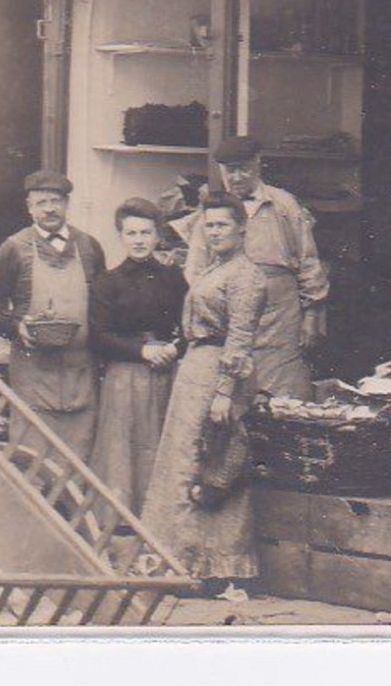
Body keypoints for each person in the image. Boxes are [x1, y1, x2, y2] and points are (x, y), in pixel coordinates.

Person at [141, 191, 267, 585]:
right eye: (208, 225)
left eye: (222, 224)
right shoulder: (215, 268)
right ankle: (178, 560)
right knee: (183, 461)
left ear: (242, 228)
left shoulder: (246, 275)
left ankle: (212, 567)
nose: (214, 232)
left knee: (210, 459)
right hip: (196, 367)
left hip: (219, 371)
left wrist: (226, 391)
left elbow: (241, 336)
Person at [183, 135, 329, 401]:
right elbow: (195, 271)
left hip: (280, 317)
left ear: (257, 163)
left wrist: (312, 315)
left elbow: (308, 261)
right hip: (231, 315)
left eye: (243, 168)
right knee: (233, 395)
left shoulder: (284, 204)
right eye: (230, 170)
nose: (237, 177)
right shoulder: (213, 211)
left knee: (285, 395)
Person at [0, 170, 107, 459]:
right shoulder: (14, 248)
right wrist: (16, 327)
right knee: (33, 453)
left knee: (80, 453)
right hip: (33, 369)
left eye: (56, 201)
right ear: (29, 207)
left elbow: (102, 306)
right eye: (42, 202)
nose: (49, 208)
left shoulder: (89, 247)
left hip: (80, 370)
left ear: (66, 204)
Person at [88, 197, 188, 515]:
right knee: (123, 446)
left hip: (165, 373)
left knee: (160, 442)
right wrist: (142, 351)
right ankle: (120, 519)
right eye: (131, 233)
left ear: (157, 235)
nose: (139, 240)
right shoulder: (108, 282)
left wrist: (174, 348)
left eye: (145, 232)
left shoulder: (174, 278)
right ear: (121, 237)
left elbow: (190, 325)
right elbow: (98, 335)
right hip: (125, 375)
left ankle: (158, 517)